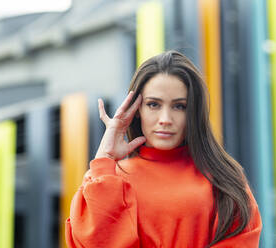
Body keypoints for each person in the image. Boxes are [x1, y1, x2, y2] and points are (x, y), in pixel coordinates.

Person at [65, 51, 262, 247]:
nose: (165, 119)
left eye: (179, 106)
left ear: (194, 111)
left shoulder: (224, 179)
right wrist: (105, 158)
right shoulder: (106, 179)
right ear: (137, 110)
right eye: (153, 104)